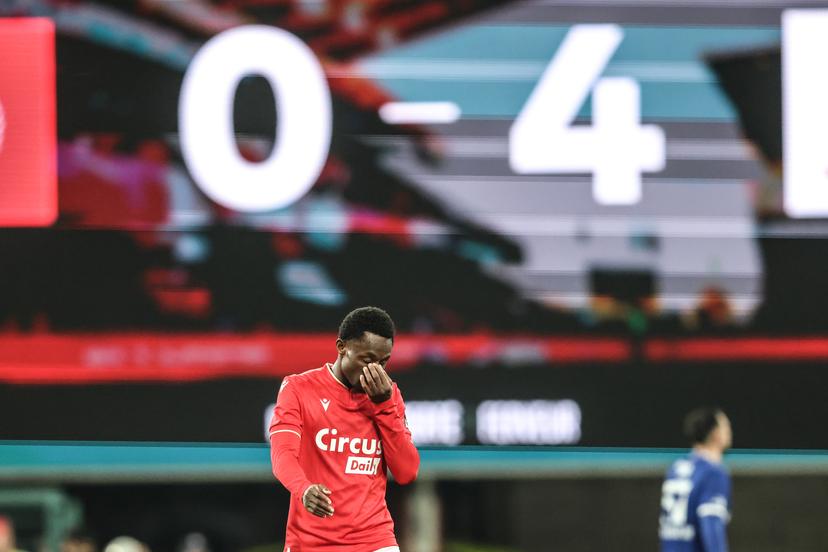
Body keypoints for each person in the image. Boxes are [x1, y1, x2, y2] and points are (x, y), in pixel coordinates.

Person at [269, 306, 419, 552]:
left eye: (383, 362)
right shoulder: (298, 388)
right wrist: (303, 489)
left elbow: (407, 472)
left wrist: (384, 407)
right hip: (310, 543)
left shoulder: (388, 395)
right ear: (342, 347)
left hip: (375, 540)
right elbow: (282, 454)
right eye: (367, 360)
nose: (376, 371)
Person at [660, 407, 733, 552]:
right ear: (715, 433)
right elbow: (711, 524)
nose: (730, 431)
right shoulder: (713, 473)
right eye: (726, 426)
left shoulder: (675, 468)